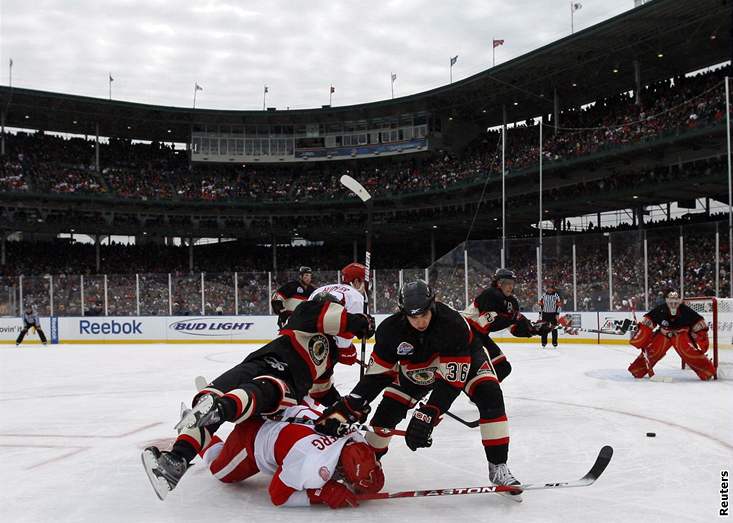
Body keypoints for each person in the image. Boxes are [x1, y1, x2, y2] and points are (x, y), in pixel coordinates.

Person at [142, 293, 375, 501]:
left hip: (286, 387)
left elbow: (321, 390)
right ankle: (176, 461)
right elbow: (334, 317)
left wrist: (346, 406)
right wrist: (360, 322)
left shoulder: (330, 353)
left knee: (261, 390)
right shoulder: (307, 313)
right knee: (208, 398)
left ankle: (220, 409)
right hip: (261, 362)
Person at [316, 280, 523, 501]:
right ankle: (368, 467)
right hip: (416, 369)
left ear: (433, 305)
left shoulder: (454, 324)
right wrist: (350, 405)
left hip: (467, 360)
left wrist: (430, 413)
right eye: (413, 317)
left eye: (424, 314)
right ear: (402, 312)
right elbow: (376, 377)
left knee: (490, 395)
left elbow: (451, 382)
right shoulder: (390, 331)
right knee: (385, 417)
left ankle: (498, 466)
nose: (420, 321)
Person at [201, 399, 384, 508]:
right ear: (343, 470)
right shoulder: (311, 464)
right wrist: (321, 493)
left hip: (279, 406)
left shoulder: (356, 438)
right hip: (252, 435)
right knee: (220, 471)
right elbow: (277, 495)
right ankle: (196, 434)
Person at [463, 269, 550, 381]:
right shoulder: (491, 294)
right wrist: (513, 318)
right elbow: (486, 324)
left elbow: (514, 329)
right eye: (507, 283)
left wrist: (532, 330)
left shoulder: (512, 302)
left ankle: (482, 394)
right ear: (499, 283)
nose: (510, 287)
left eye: (512, 284)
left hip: (480, 336)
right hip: (465, 332)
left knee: (503, 368)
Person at [306, 262, 368, 406]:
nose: (367, 286)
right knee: (320, 386)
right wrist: (349, 353)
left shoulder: (319, 290)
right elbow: (344, 337)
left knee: (307, 381)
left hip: (304, 343)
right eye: (365, 282)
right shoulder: (355, 296)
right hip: (324, 350)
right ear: (357, 281)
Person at [628, 291, 715, 381]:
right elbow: (648, 322)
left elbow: (699, 325)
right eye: (671, 299)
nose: (673, 302)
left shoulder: (686, 310)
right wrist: (642, 334)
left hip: (681, 335)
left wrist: (700, 338)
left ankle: (707, 371)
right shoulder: (660, 309)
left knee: (689, 353)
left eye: (675, 299)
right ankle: (637, 370)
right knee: (653, 351)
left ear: (679, 300)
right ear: (666, 300)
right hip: (664, 334)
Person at [538, 283, 562, 349]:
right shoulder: (544, 295)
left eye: (551, 288)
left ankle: (554, 342)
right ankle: (544, 342)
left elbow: (559, 305)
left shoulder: (556, 295)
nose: (549, 289)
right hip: (545, 314)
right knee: (544, 329)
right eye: (548, 288)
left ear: (553, 289)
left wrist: (557, 314)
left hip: (553, 314)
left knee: (554, 329)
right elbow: (540, 304)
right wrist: (540, 313)